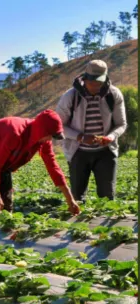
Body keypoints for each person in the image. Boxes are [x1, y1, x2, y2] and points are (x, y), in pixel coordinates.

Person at [0, 109, 81, 216]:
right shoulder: (15, 134)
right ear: (42, 131)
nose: (50, 140)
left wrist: (70, 200)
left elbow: (53, 167)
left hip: (5, 161)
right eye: (50, 136)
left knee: (6, 207)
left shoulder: (43, 140)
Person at [55, 59, 127, 202]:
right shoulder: (71, 96)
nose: (95, 86)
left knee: (107, 197)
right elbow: (59, 125)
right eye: (92, 82)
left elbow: (121, 124)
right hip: (78, 152)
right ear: (84, 78)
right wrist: (80, 137)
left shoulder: (114, 94)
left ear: (105, 79)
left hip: (106, 152)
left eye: (98, 83)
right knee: (77, 197)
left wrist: (111, 137)